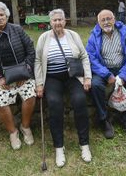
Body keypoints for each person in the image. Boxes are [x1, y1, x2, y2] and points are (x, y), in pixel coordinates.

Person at [35, 9, 92, 167]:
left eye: (60, 20)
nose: (58, 23)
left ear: (64, 21)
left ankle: (84, 144)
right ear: (50, 22)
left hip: (72, 77)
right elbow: (38, 61)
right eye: (54, 20)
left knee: (80, 101)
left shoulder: (73, 35)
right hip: (52, 78)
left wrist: (87, 77)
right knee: (54, 103)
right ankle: (59, 147)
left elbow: (84, 56)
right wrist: (39, 83)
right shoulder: (44, 38)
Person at [0, 2, 36, 150]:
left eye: (2, 15)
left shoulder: (18, 30)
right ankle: (13, 132)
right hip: (0, 78)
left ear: (7, 16)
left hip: (21, 75)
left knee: (30, 94)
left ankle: (25, 127)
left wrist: (26, 72)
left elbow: (31, 50)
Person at [86, 10, 126, 140]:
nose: (106, 22)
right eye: (103, 20)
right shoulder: (94, 36)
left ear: (114, 19)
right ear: (98, 23)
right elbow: (91, 59)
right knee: (96, 86)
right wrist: (107, 75)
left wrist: (123, 75)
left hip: (124, 69)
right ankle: (104, 120)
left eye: (108, 19)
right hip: (103, 70)